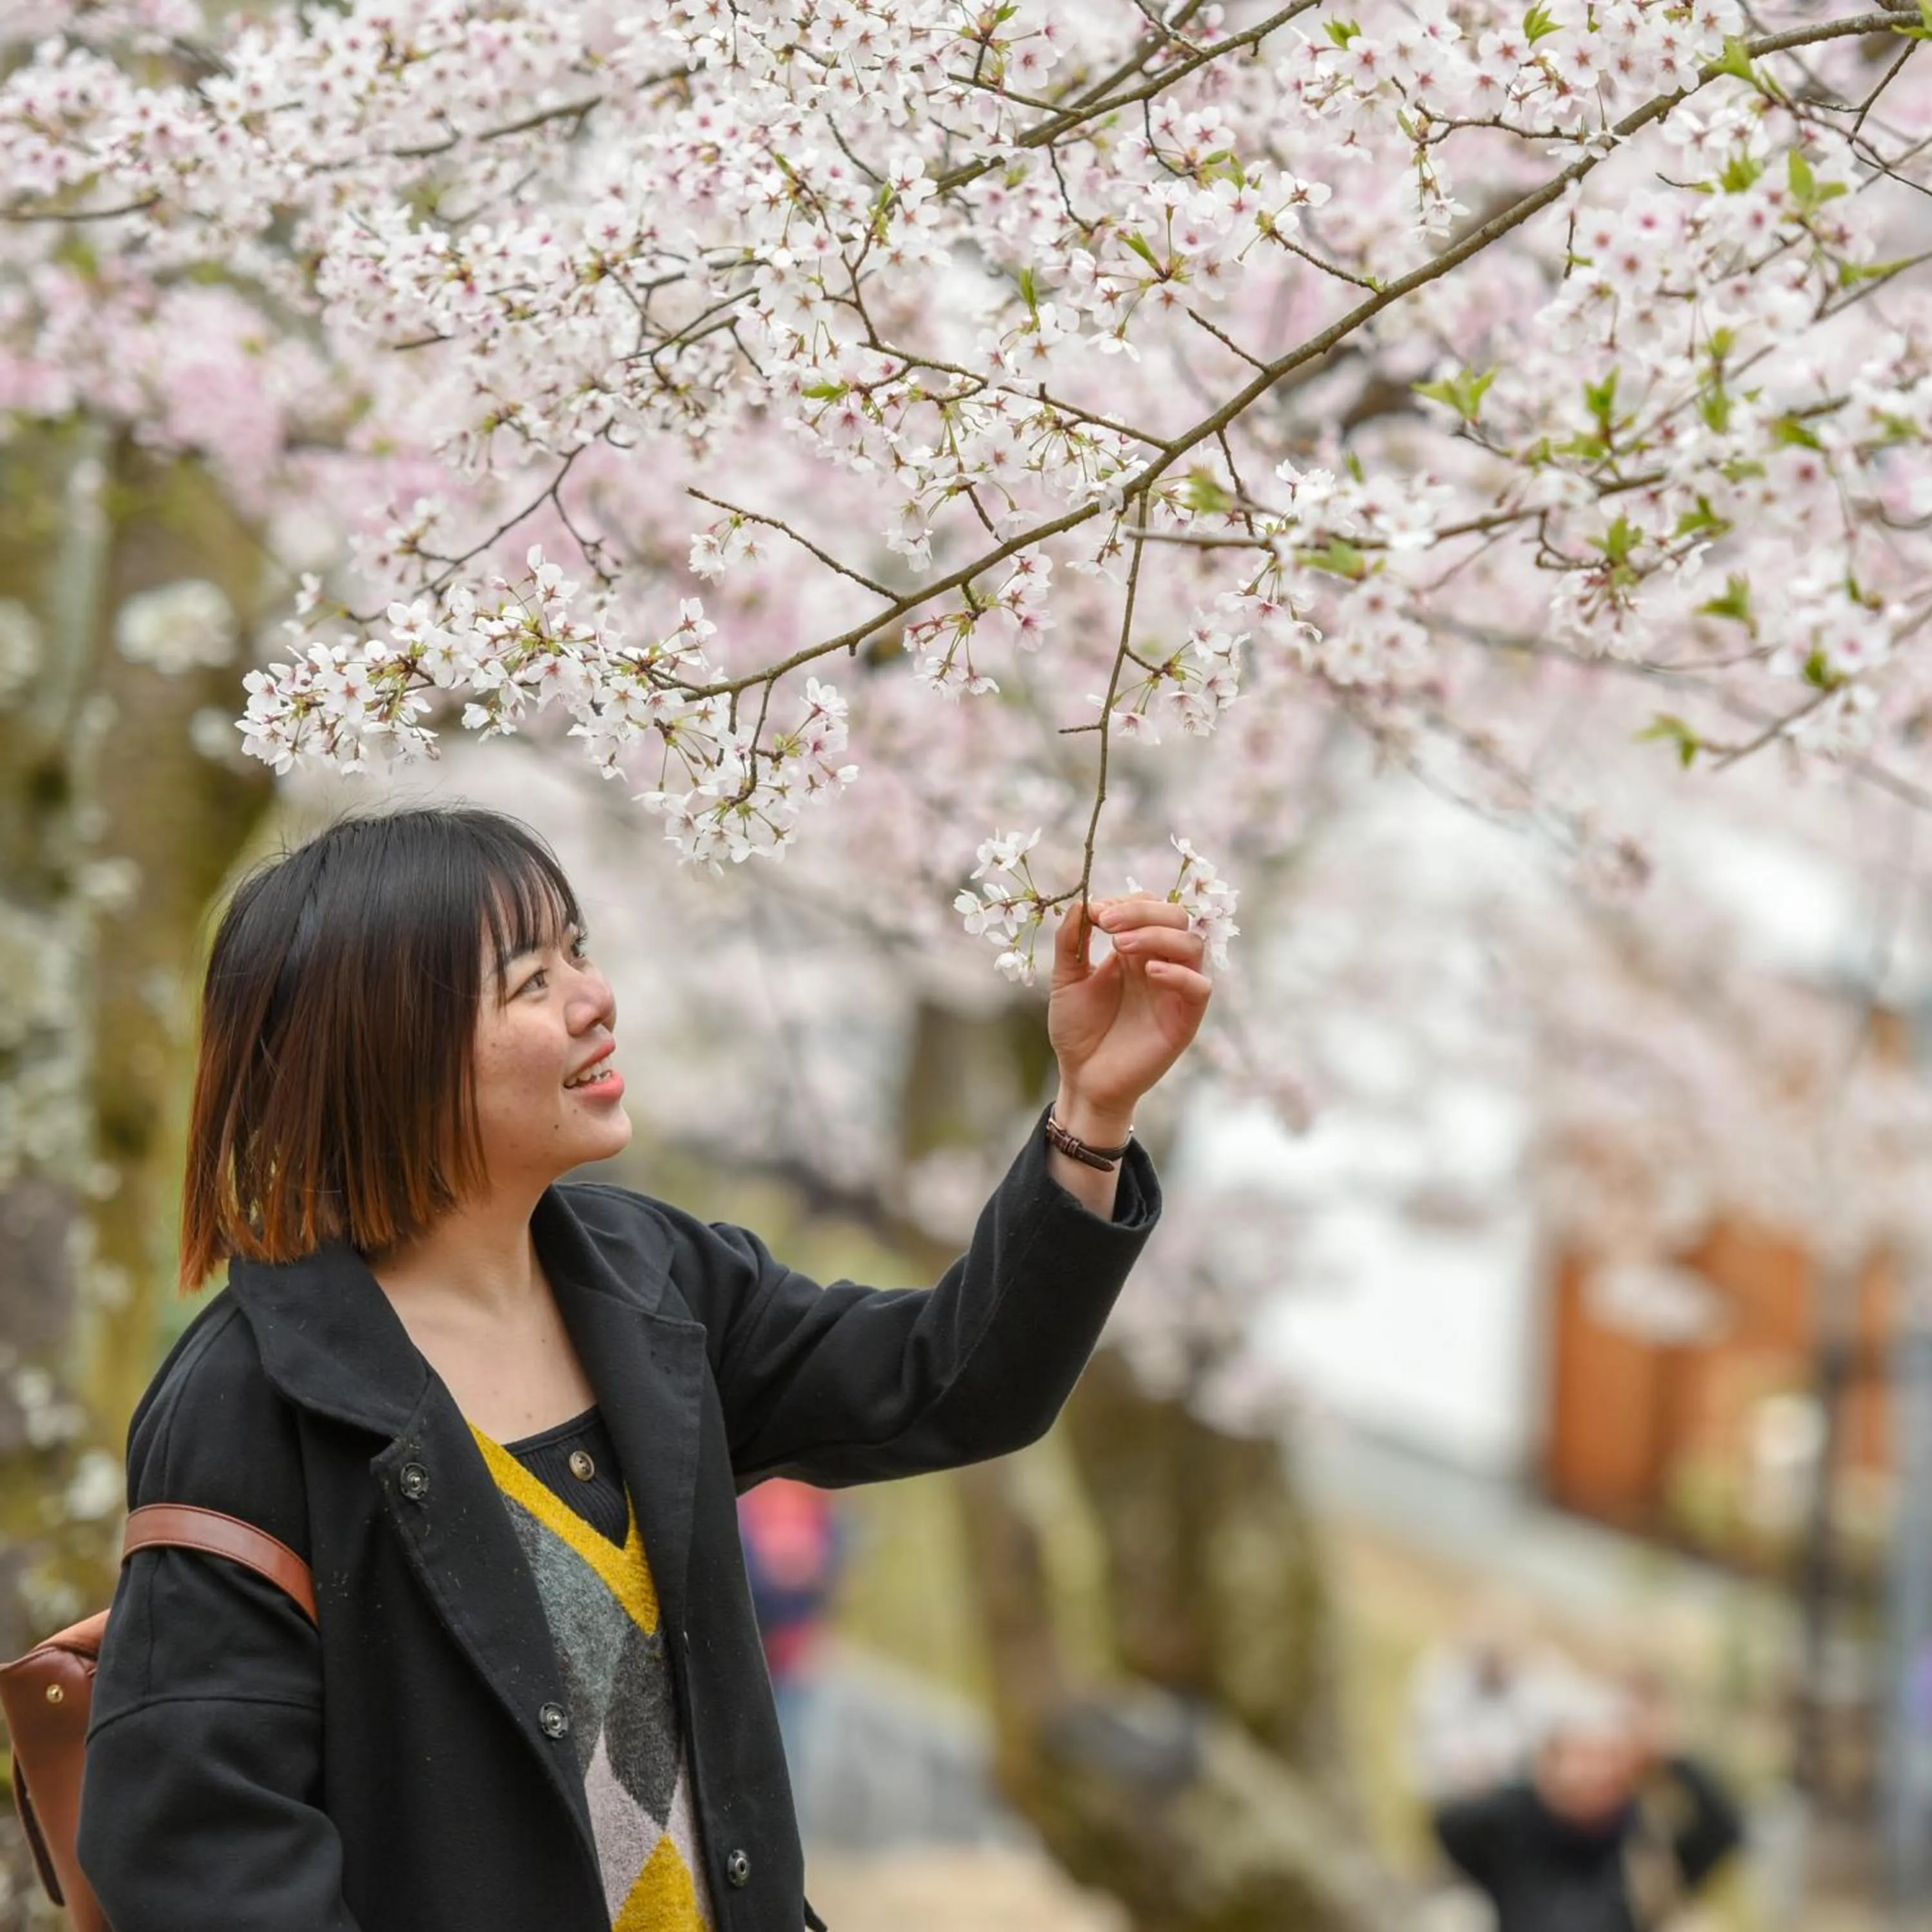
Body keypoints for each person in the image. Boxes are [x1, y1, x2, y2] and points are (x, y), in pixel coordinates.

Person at [73, 804, 1209, 1932]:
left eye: (579, 949)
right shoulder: (247, 1403)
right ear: (388, 1056)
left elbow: (950, 1381)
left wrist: (1090, 1113)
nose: (594, 997)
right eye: (529, 983)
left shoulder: (650, 1279)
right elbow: (204, 1859)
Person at [1432, 1674, 1745, 1932]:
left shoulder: (1645, 1845)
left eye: (1607, 1758)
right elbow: (1448, 1823)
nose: (1593, 1773)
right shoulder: (1515, 1830)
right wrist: (1540, 1788)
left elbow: (1725, 1830)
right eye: (1580, 1756)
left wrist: (1669, 1756)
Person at [737, 1477, 845, 1773]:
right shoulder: (749, 1504)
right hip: (747, 1651)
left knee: (788, 1754)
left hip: (793, 1659)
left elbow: (829, 1579)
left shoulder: (822, 1512)